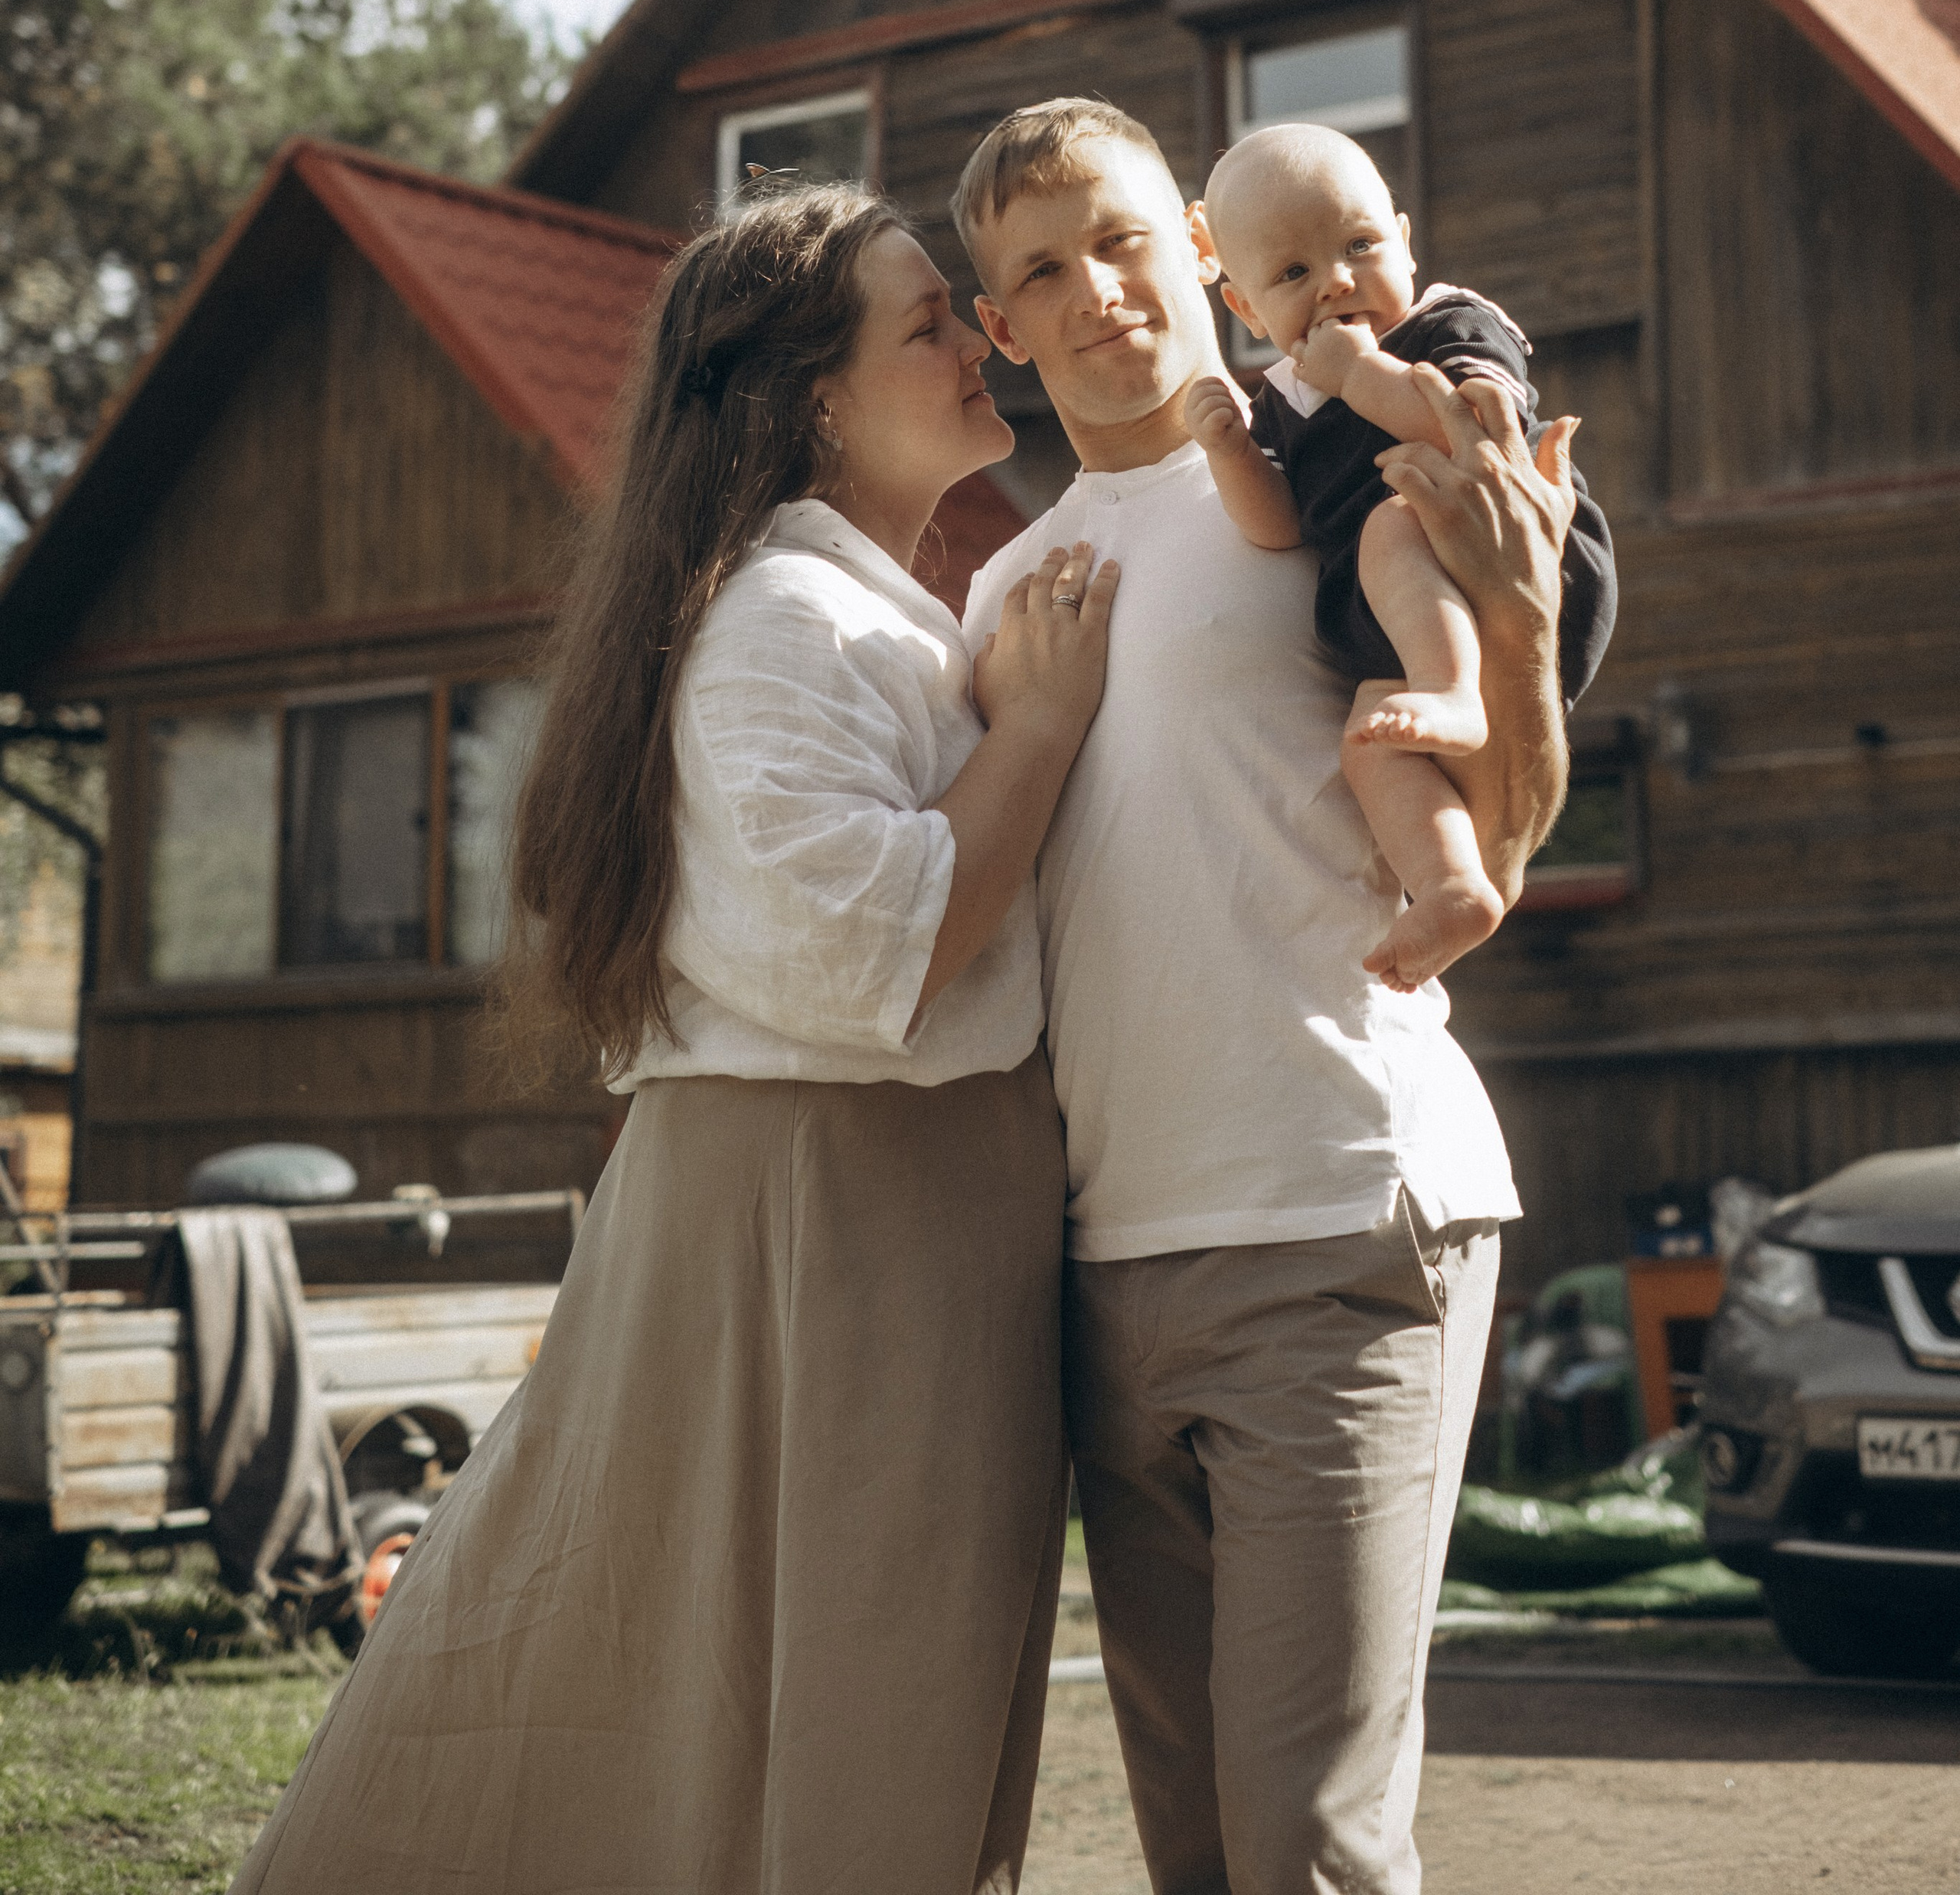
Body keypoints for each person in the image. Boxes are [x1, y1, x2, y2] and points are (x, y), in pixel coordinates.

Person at [231, 182, 1117, 1895]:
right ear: (814, 403)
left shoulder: (862, 613)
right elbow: (896, 942)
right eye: (925, 316)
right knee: (825, 1714)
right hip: (828, 1218)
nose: (971, 338)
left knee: (800, 1710)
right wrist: (1048, 726)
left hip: (861, 1216)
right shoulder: (780, 625)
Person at [957, 97, 1594, 1895]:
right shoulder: (1004, 598)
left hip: (1340, 1209)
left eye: (1124, 242)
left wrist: (1521, 629)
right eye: (1038, 272)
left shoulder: (1332, 490)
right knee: (1196, 1850)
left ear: (1201, 257)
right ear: (998, 327)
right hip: (1102, 1273)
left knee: (1309, 1844)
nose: (1096, 292)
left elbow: (1504, 810)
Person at [1184, 119, 1615, 992]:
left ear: (1405, 243)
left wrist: (1362, 378)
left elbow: (1474, 434)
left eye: (1359, 244)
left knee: (1390, 520)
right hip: (1398, 623)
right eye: (1294, 273)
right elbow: (1278, 531)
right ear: (1244, 307)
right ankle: (1454, 889)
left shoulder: (1446, 324)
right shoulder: (1286, 403)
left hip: (1513, 561)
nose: (1338, 283)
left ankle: (1456, 692)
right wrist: (1231, 453)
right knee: (1370, 749)